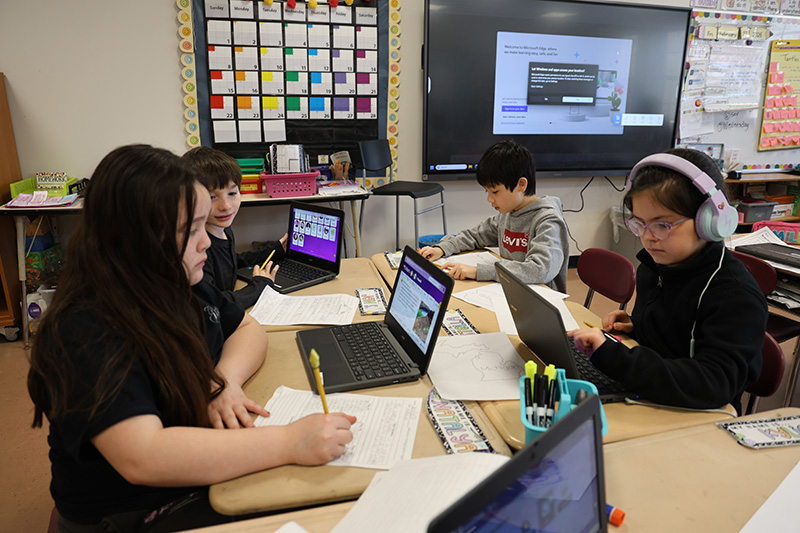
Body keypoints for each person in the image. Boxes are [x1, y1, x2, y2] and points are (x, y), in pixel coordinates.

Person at [27, 145, 356, 532]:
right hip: (129, 512)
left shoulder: (180, 279)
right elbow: (144, 456)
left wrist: (223, 382)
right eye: (191, 230)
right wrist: (287, 442)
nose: (206, 243)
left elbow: (247, 328)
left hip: (187, 474)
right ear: (137, 237)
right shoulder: (85, 328)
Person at [568, 148, 766, 413]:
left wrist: (616, 358)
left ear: (710, 220)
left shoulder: (735, 295)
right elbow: (676, 341)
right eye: (640, 223)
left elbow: (714, 384)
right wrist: (638, 327)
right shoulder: (657, 267)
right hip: (652, 396)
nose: (648, 237)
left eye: (662, 225)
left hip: (700, 420)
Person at [419, 140, 569, 292]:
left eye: (495, 192)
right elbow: (475, 236)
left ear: (521, 185)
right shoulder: (508, 215)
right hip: (510, 290)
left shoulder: (548, 221)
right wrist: (442, 249)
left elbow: (539, 269)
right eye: (487, 192)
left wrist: (478, 271)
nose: (490, 199)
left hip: (540, 300)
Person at [182, 146, 287, 309]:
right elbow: (214, 303)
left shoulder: (223, 229)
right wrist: (259, 287)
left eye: (232, 194)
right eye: (212, 197)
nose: (225, 206)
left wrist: (276, 249)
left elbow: (231, 263)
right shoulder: (199, 249)